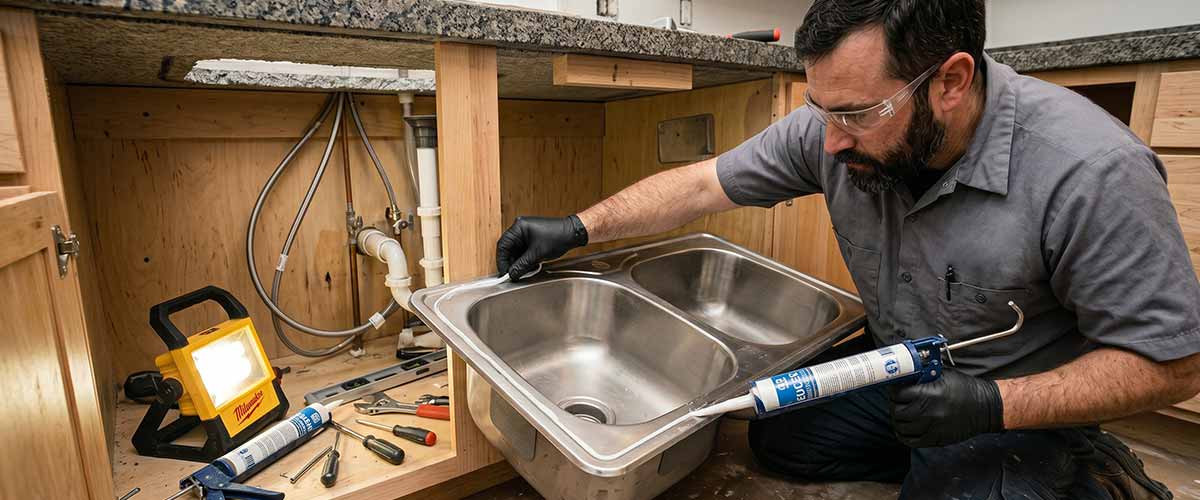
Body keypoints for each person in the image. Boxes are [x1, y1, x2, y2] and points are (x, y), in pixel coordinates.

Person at [494, 1, 1200, 498]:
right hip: (900, 369)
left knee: (982, 477)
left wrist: (992, 406)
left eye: (857, 116)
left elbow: (1174, 363)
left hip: (1012, 400)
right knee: (777, 438)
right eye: (821, 110)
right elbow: (702, 185)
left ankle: (1075, 471)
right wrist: (581, 226)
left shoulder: (1090, 170)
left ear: (950, 82)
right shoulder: (836, 127)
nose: (830, 143)